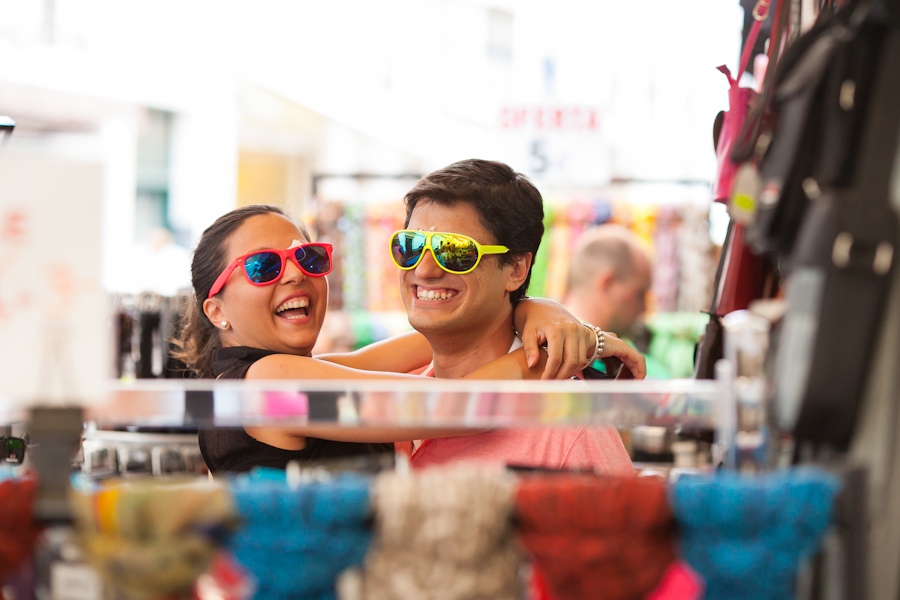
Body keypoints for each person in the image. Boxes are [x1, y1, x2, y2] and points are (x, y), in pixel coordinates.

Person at [174, 204, 635, 474]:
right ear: (215, 309)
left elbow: (442, 332)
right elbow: (454, 404)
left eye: (309, 258)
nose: (295, 274)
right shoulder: (268, 384)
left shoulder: (281, 376)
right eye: (263, 267)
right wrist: (560, 347)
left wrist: (537, 310)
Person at [389, 159, 642, 473]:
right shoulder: (387, 396)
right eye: (410, 246)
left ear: (517, 269)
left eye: (454, 251)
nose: (424, 270)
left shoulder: (569, 427)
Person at [563, 223, 671, 379]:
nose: (644, 308)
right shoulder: (630, 366)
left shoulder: (538, 349)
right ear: (608, 283)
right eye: (640, 294)